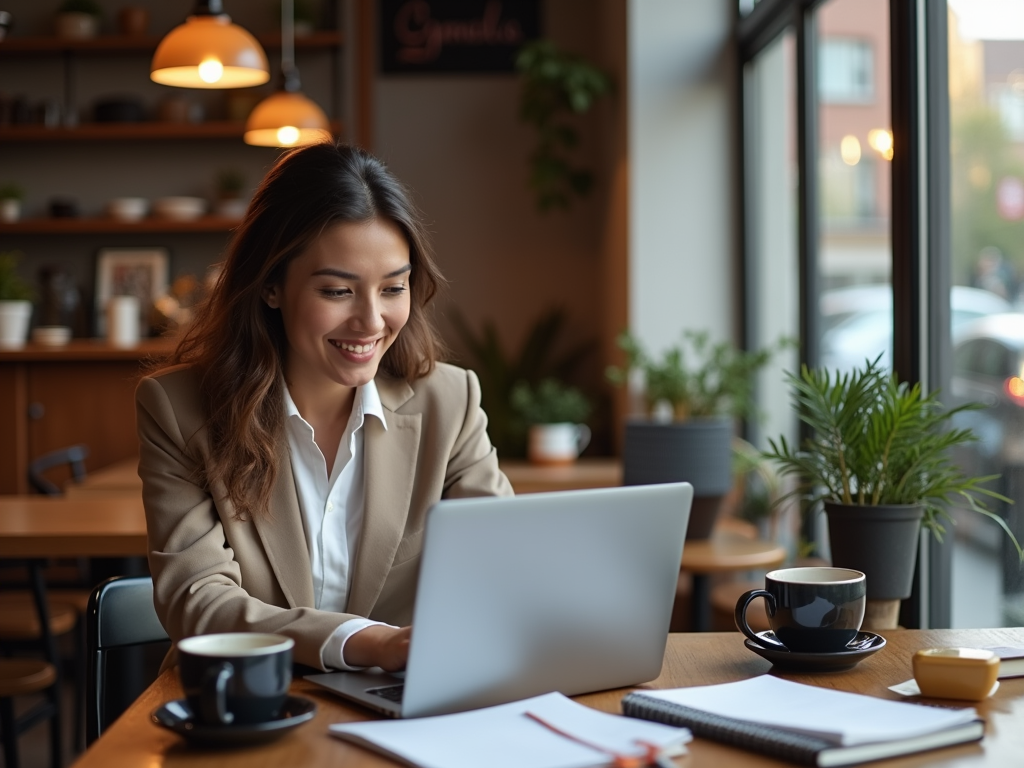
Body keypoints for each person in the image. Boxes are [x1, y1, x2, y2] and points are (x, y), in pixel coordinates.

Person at [137, 141, 512, 673]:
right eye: (338, 291)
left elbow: (503, 567)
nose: (371, 321)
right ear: (270, 285)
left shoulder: (450, 401)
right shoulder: (180, 409)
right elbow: (196, 600)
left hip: (407, 707)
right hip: (246, 702)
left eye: (393, 288)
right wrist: (364, 643)